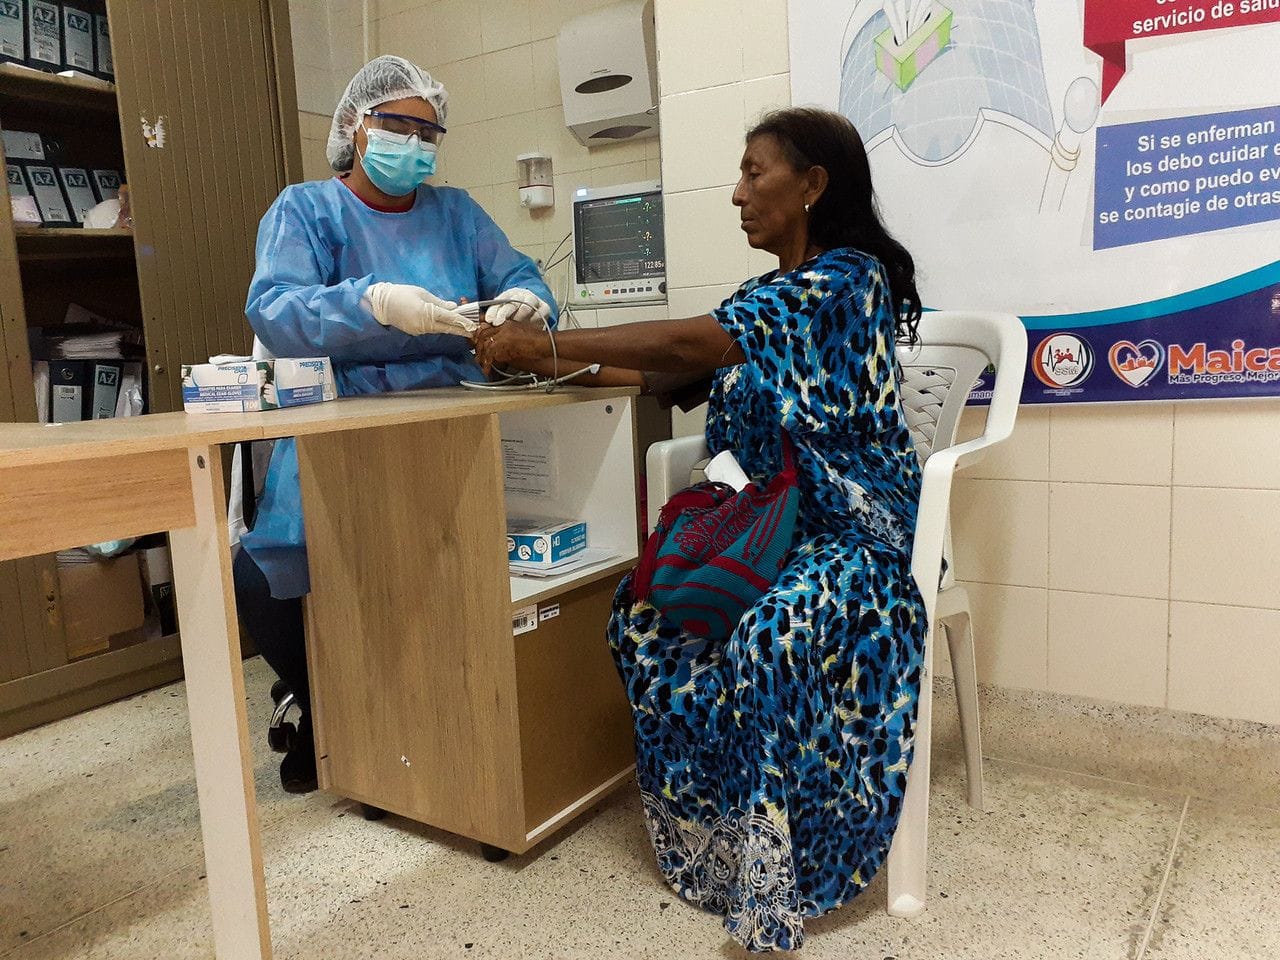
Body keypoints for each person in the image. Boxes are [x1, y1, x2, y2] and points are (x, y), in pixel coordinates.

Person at [475, 107, 927, 952]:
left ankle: (781, 872)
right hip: (764, 526)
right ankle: (715, 844)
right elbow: (666, 365)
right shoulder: (762, 299)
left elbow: (693, 338)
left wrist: (542, 342)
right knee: (645, 615)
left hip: (852, 535)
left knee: (767, 635)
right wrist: (534, 360)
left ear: (812, 186)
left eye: (756, 174)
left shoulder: (845, 283)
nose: (737, 194)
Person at [235, 55, 556, 794]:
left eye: (427, 130)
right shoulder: (305, 211)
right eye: (396, 125)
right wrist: (370, 303)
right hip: (340, 423)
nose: (412, 142)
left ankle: (431, 724)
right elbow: (275, 311)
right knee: (268, 573)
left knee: (447, 574)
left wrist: (524, 305)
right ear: (356, 125)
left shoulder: (458, 213)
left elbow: (522, 276)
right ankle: (316, 700)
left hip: (452, 416)